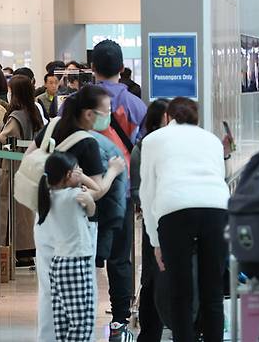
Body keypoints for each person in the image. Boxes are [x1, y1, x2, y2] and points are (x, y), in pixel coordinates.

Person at [27, 85, 126, 342]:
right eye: (106, 111)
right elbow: (95, 192)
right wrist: (114, 170)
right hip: (75, 226)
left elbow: (29, 161)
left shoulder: (52, 126)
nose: (109, 115)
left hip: (44, 216)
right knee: (81, 297)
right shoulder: (88, 143)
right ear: (89, 114)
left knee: (48, 289)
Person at [139, 98, 230, 342]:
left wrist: (154, 240)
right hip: (217, 209)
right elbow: (220, 177)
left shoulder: (152, 140)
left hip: (174, 210)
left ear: (168, 117)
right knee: (213, 292)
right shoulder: (210, 139)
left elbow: (147, 192)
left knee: (180, 292)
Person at [89, 39, 148, 341]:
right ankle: (119, 321)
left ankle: (81, 313)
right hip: (120, 193)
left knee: (82, 255)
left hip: (83, 191)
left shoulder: (77, 102)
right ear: (122, 69)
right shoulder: (137, 106)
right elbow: (143, 149)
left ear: (92, 68)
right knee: (119, 258)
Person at [34, 152, 98, 342]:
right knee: (83, 322)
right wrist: (87, 177)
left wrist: (76, 175)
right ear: (68, 175)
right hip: (76, 263)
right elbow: (98, 188)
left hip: (59, 263)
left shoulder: (49, 197)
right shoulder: (74, 196)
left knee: (63, 320)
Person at [130, 99, 170, 342]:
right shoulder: (143, 147)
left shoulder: (176, 145)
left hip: (173, 216)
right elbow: (137, 188)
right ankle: (149, 334)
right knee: (152, 277)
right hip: (154, 219)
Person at [0, 75, 44, 250]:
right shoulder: (34, 112)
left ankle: (16, 249)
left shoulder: (16, 116)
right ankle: (28, 247)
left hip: (13, 168)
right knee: (26, 211)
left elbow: (4, 138)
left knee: (11, 211)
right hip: (30, 168)